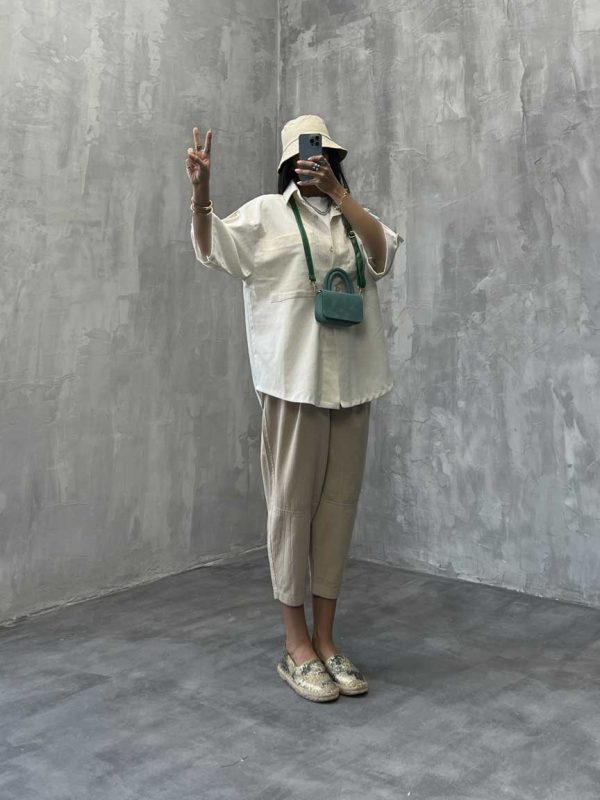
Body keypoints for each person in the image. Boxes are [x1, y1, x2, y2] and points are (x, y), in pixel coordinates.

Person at [186, 114, 404, 703]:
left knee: (337, 511)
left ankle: (327, 639)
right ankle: (296, 645)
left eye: (325, 155)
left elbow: (383, 255)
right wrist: (202, 194)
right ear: (288, 163)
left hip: (353, 384)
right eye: (307, 156)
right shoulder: (265, 214)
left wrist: (342, 198)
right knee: (290, 511)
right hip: (293, 385)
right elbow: (213, 249)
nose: (315, 163)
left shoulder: (354, 217)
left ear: (334, 161)